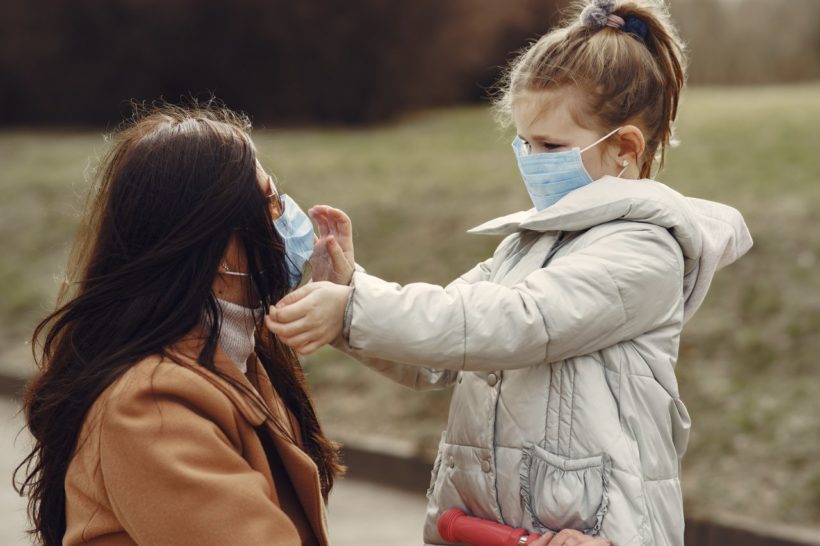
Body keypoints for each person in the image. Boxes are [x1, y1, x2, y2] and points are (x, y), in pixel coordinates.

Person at [265, 1, 753, 545]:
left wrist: (353, 312)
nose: (530, 158)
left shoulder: (642, 250)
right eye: (524, 142)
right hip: (494, 530)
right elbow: (441, 349)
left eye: (550, 146)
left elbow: (517, 322)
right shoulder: (528, 246)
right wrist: (349, 288)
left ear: (623, 149)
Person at [14, 104, 343, 546]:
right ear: (217, 249)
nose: (288, 218)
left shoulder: (242, 356)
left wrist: (348, 309)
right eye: (270, 203)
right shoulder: (151, 403)